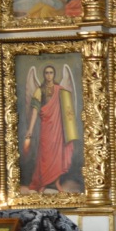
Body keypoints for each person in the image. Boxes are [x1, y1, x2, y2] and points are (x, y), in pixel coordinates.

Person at [23, 63, 80, 192]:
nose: (49, 75)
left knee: (58, 154)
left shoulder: (60, 89)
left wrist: (70, 129)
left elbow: (68, 109)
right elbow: (35, 111)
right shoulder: (39, 90)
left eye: (51, 73)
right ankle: (43, 183)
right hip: (46, 127)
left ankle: (57, 183)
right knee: (45, 155)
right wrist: (30, 129)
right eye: (46, 73)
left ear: (54, 74)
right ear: (44, 75)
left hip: (58, 128)